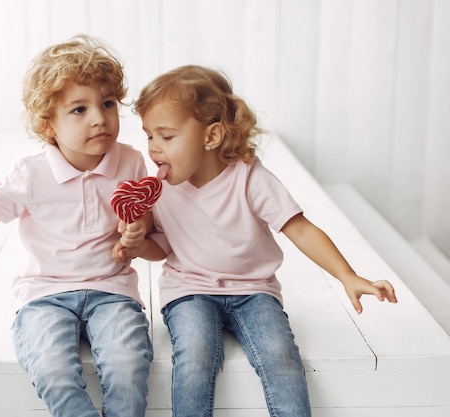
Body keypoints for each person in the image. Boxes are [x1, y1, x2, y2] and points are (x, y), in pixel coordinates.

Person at [114, 65, 398, 417]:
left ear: (211, 136)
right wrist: (139, 244)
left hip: (254, 291)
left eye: (167, 136)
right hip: (189, 289)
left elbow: (302, 230)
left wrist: (348, 276)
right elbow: (163, 249)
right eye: (149, 137)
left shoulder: (249, 177)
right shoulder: (160, 190)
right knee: (195, 355)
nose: (155, 149)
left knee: (280, 357)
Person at [0, 34, 153, 417]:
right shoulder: (30, 173)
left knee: (128, 367)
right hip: (45, 294)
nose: (99, 117)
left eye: (107, 104)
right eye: (79, 109)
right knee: (54, 370)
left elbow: (140, 217)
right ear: (48, 125)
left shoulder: (131, 162)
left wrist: (136, 229)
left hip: (113, 289)